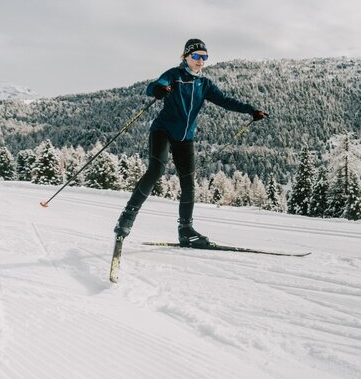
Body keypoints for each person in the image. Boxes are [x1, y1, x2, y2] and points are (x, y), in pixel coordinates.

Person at [113, 38, 267, 247]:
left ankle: (185, 230)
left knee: (188, 184)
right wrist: (159, 89)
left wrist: (251, 110)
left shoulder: (204, 84)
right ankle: (127, 218)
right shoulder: (174, 75)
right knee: (156, 170)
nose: (200, 60)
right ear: (185, 57)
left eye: (204, 57)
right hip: (163, 132)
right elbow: (155, 86)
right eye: (196, 56)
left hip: (186, 138)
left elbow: (226, 101)